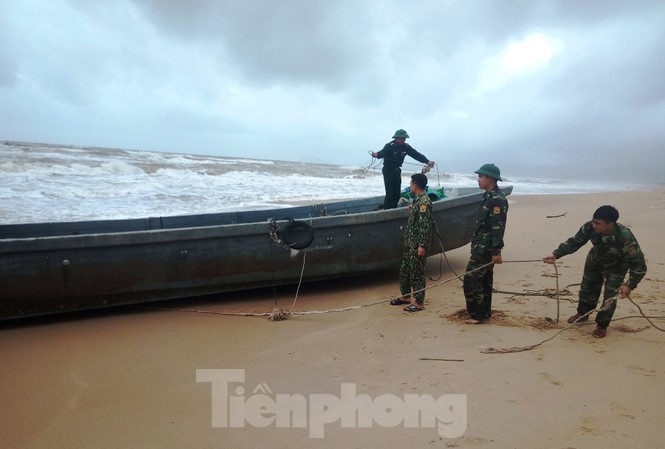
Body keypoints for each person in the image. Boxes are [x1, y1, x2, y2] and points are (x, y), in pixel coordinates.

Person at [542, 205, 647, 338]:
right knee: (587, 288)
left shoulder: (624, 236)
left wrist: (629, 285)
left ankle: (602, 325)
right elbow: (575, 242)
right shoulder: (589, 227)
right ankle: (583, 314)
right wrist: (556, 254)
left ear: (610, 224)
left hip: (617, 265)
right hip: (595, 260)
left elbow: (639, 266)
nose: (594, 225)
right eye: (593, 221)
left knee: (610, 296)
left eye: (598, 223)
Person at [463, 163, 508, 324]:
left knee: (471, 279)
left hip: (486, 247)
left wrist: (496, 251)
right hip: (480, 245)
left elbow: (498, 227)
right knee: (484, 280)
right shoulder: (488, 196)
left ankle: (477, 315)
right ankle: (484, 313)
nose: (478, 179)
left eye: (481, 176)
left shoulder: (497, 200)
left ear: (490, 179)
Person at [389, 173, 434, 312]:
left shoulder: (424, 202)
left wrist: (422, 245)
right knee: (405, 271)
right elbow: (418, 220)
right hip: (410, 243)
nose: (410, 186)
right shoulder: (417, 201)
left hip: (416, 245)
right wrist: (412, 211)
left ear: (415, 185)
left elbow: (425, 226)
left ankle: (419, 303)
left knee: (417, 273)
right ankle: (406, 297)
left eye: (410, 184)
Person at [371, 129, 435, 210]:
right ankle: (387, 211)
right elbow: (382, 152)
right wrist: (376, 154)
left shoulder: (406, 147)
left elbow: (416, 154)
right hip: (388, 171)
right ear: (396, 138)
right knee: (390, 194)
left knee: (397, 194)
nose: (403, 140)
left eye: (404, 138)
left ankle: (393, 210)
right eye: (401, 138)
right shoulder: (389, 146)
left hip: (397, 171)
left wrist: (427, 161)